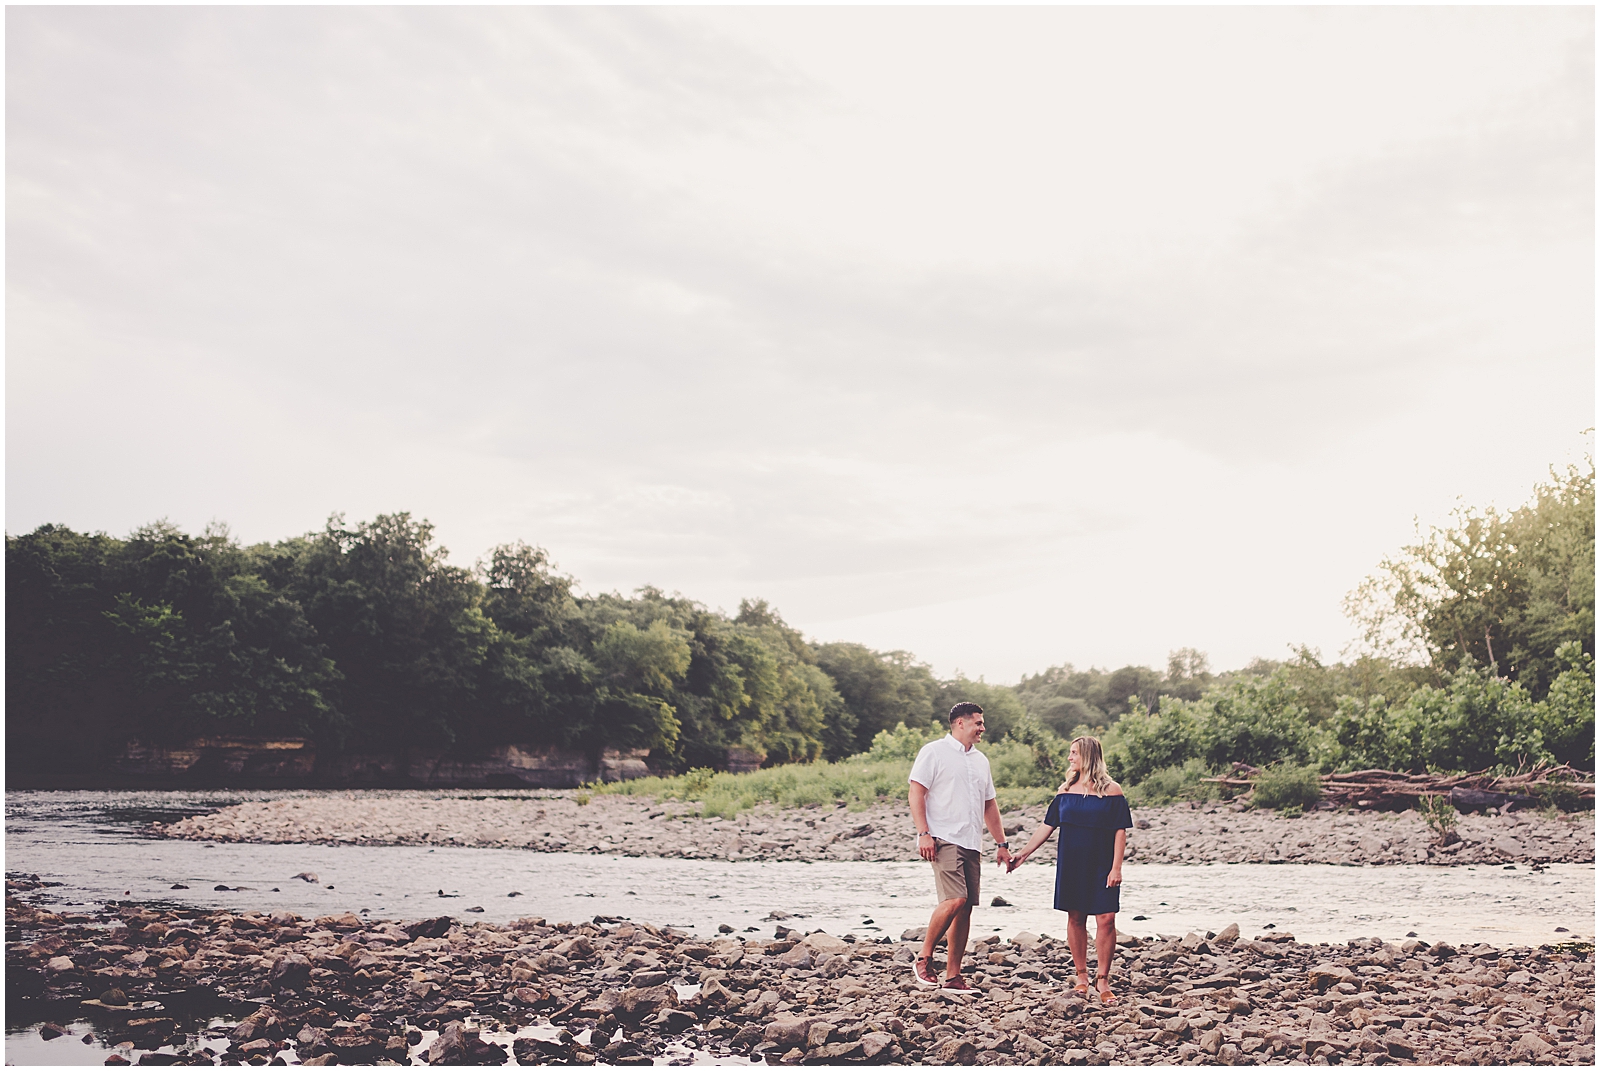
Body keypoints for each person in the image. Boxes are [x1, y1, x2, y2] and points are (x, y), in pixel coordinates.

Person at [1007, 735, 1132, 1003]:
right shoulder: (1065, 791)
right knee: (1076, 918)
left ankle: (1103, 980)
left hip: (1102, 864)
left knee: (1106, 919)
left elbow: (1120, 831)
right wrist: (1024, 854)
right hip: (1072, 864)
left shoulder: (1112, 791)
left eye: (1074, 752)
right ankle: (1082, 976)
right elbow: (1047, 826)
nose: (1069, 757)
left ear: (1087, 756)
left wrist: (1116, 868)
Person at [907, 702, 1013, 994]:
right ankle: (924, 959)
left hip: (970, 841)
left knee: (965, 908)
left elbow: (989, 805)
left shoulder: (981, 761)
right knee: (955, 899)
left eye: (982, 722)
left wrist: (1001, 843)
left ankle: (954, 976)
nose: (982, 728)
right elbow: (916, 792)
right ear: (959, 724)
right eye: (978, 722)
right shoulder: (933, 752)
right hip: (942, 837)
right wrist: (924, 833)